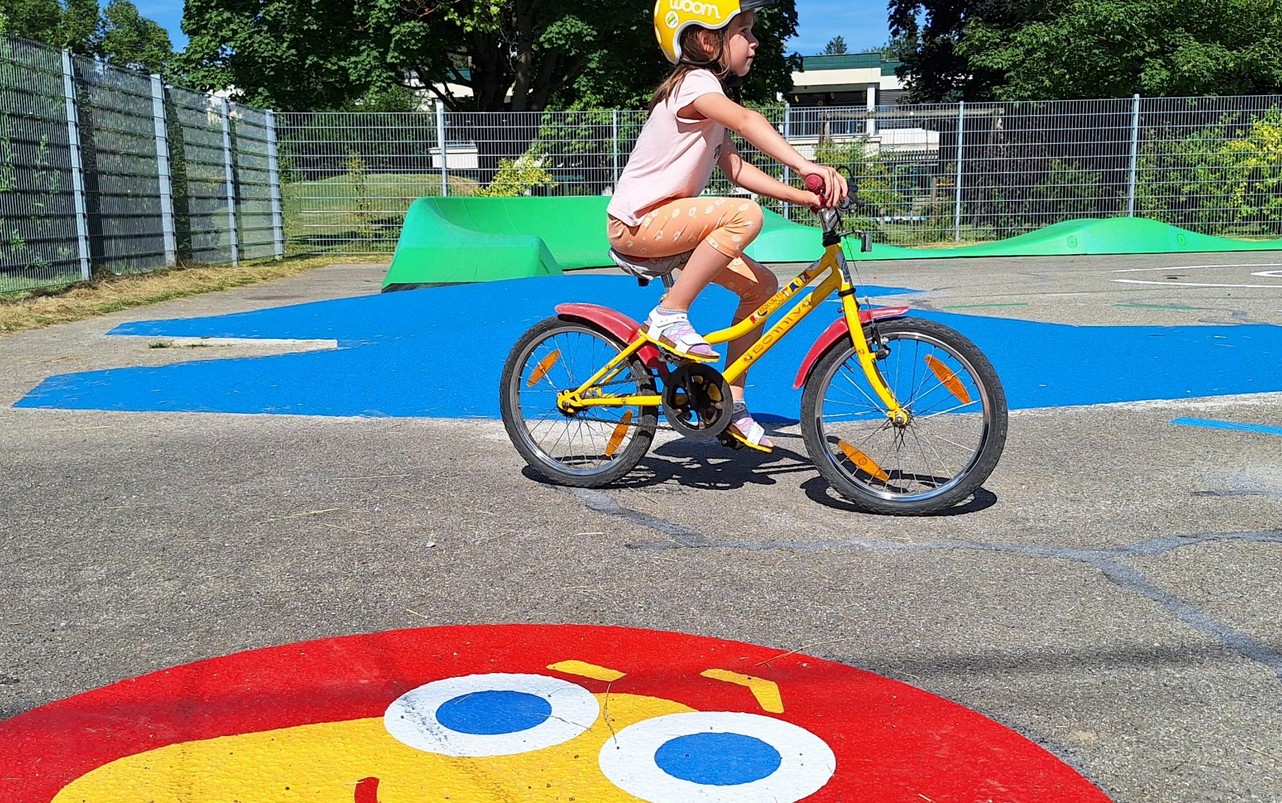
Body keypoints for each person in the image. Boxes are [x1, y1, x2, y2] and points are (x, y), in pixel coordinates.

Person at [607, 0, 848, 453]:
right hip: (637, 224)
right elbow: (748, 121)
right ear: (705, 39)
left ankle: (732, 404)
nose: (755, 43)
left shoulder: (711, 99)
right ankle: (669, 314)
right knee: (745, 214)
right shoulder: (694, 85)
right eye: (745, 31)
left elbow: (737, 169)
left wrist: (806, 196)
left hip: (671, 227)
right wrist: (803, 164)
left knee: (762, 286)